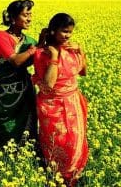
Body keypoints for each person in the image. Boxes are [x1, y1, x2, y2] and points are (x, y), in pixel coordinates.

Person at [32, 13, 88, 186]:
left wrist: (81, 51)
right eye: (64, 31)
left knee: (76, 142)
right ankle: (57, 178)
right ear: (53, 31)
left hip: (73, 103)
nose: (68, 36)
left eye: (70, 32)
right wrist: (55, 58)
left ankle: (73, 178)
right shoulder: (42, 53)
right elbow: (48, 85)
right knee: (58, 143)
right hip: (52, 105)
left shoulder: (71, 50)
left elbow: (83, 72)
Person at [0, 0, 43, 147]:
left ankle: (25, 156)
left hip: (25, 90)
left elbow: (37, 62)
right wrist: (35, 48)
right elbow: (15, 61)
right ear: (13, 17)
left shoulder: (29, 40)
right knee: (6, 131)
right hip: (7, 93)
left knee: (28, 129)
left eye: (30, 14)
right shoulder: (1, 36)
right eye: (26, 15)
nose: (30, 19)